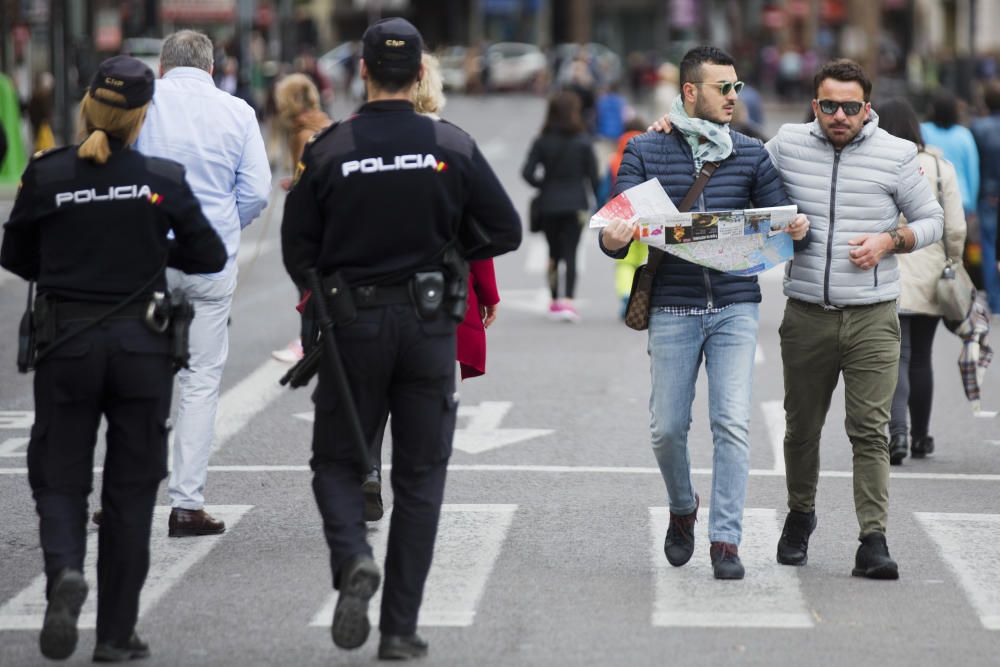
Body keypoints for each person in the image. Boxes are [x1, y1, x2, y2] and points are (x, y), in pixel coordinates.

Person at [280, 17, 521, 660]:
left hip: (352, 323)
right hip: (428, 326)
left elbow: (295, 250)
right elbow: (504, 231)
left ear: (360, 71)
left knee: (336, 462)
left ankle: (354, 556)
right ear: (420, 73)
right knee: (420, 478)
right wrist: (448, 250)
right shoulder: (453, 145)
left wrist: (339, 271)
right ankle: (398, 631)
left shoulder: (328, 148)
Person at [0, 55, 226, 662]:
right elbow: (206, 256)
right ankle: (116, 635)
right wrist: (152, 240)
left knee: (59, 475)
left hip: (66, 344)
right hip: (141, 349)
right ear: (142, 115)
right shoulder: (162, 177)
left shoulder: (46, 176)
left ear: (88, 108)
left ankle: (66, 573)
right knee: (130, 493)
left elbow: (15, 254)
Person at [600, 46, 810, 580]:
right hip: (672, 302)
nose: (734, 96)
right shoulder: (645, 149)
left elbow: (777, 212)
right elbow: (617, 226)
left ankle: (726, 541)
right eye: (724, 87)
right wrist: (614, 238)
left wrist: (794, 228)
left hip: (735, 304)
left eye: (737, 86)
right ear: (691, 92)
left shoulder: (749, 153)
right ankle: (682, 507)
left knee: (731, 422)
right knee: (666, 429)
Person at [765, 60, 943, 579]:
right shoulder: (787, 144)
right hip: (806, 314)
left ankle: (873, 539)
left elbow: (931, 220)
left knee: (870, 432)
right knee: (801, 430)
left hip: (872, 317)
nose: (838, 116)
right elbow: (738, 171)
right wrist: (782, 224)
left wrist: (891, 240)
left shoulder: (896, 154)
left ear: (868, 108)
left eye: (850, 106)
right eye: (828, 105)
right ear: (814, 104)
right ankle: (800, 517)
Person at [134, 30, 271, 537]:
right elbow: (256, 191)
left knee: (136, 378)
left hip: (145, 264)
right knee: (200, 382)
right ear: (212, 69)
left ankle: (124, 494)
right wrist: (218, 227)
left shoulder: (144, 104)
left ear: (163, 66)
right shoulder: (236, 112)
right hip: (209, 264)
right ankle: (187, 505)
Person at [362, 51, 502, 522]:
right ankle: (416, 493)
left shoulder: (352, 142)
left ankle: (367, 469)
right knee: (425, 395)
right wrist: (487, 292)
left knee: (375, 388)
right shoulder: (453, 145)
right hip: (435, 296)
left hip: (367, 293)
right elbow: (483, 229)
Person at [878, 98, 967, 465]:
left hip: (887, 267)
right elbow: (956, 227)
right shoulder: (937, 165)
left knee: (897, 356)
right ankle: (921, 436)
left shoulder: (878, 160)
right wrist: (954, 263)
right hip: (930, 270)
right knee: (922, 357)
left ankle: (896, 432)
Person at [270, 73, 333, 364]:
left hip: (310, 219)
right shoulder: (327, 124)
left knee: (305, 279)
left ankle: (308, 340)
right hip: (333, 214)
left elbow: (304, 181)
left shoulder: (300, 134)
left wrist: (292, 185)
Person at [522, 91, 599, 322]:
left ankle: (554, 300)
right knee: (572, 253)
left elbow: (526, 173)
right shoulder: (584, 141)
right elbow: (593, 178)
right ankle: (569, 302)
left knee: (553, 254)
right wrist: (599, 205)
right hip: (576, 204)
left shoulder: (542, 140)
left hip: (549, 204)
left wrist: (543, 184)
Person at [971, 81, 1000, 313]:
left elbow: (975, 164)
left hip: (989, 196)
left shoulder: (978, 128)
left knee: (989, 245)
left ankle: (995, 300)